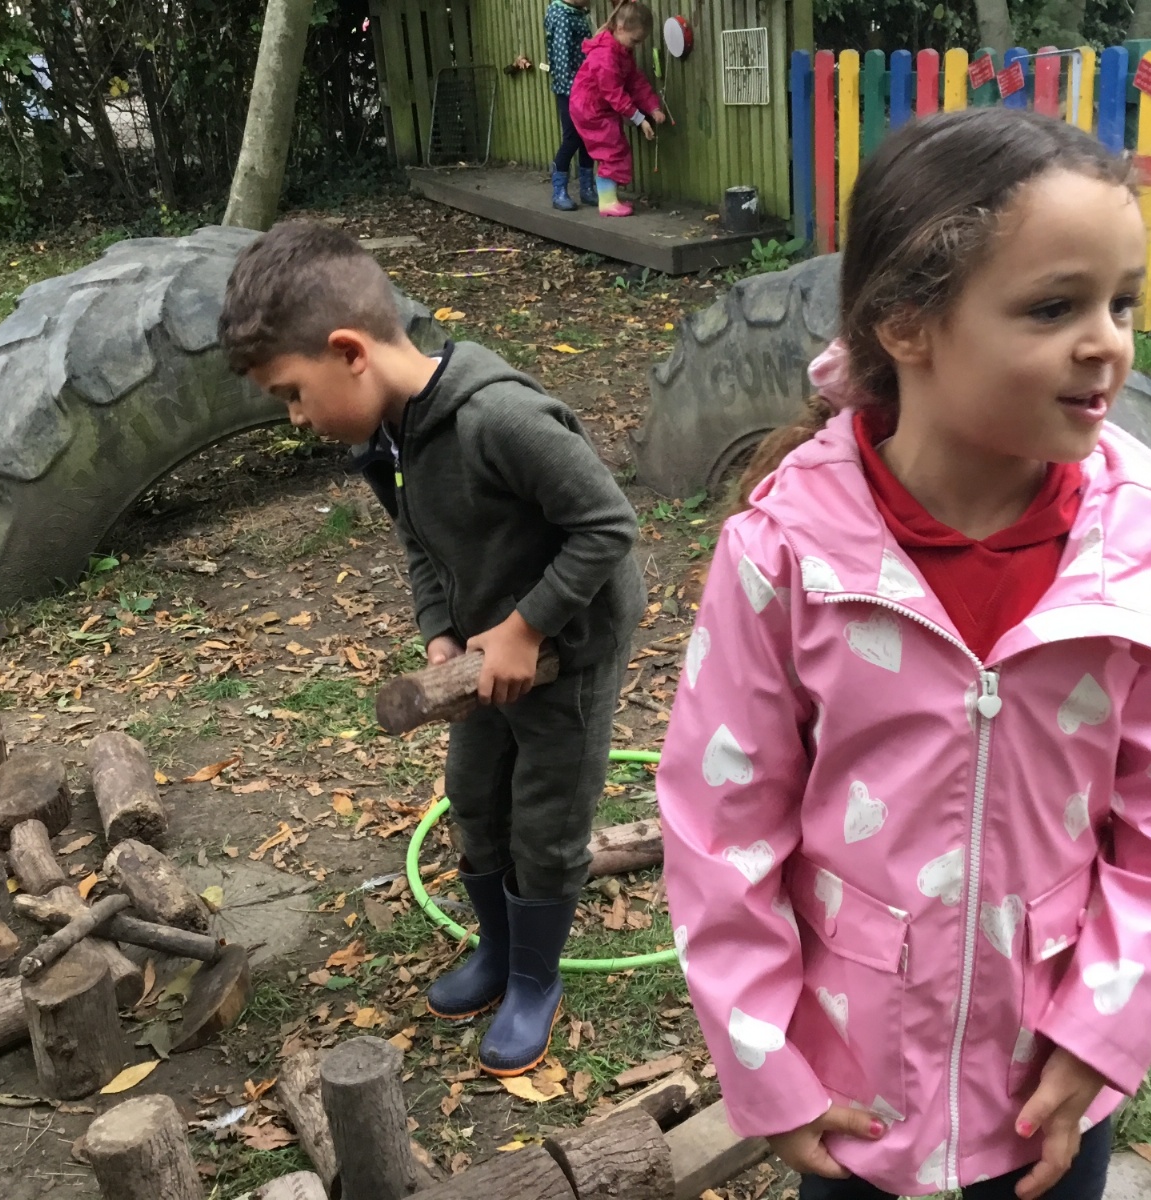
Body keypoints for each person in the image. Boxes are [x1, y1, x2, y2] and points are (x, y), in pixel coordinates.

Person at [657, 108, 1151, 1200]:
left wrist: (1101, 1038)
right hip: (852, 1099)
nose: (1107, 342)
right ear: (906, 323)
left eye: (1120, 302)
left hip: (1046, 1095)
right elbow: (718, 827)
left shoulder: (1150, 560)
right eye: (1053, 307)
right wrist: (765, 1064)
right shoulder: (787, 556)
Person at [219, 222, 645, 1077]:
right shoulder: (391, 438)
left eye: (292, 394)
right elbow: (419, 541)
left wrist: (526, 627)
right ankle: (498, 951)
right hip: (485, 652)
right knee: (473, 795)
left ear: (350, 352)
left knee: (547, 818)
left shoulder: (499, 419)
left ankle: (535, 980)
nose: (297, 418)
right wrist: (441, 631)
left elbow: (607, 526)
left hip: (567, 648)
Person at [569, 1, 665, 217]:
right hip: (590, 109)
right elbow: (614, 93)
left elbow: (635, 81)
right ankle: (607, 202)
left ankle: (609, 198)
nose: (635, 46)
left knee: (614, 147)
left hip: (599, 106)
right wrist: (639, 119)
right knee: (612, 150)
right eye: (635, 40)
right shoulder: (605, 55)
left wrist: (653, 106)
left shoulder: (621, 51)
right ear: (620, 28)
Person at [543, 0, 596, 211]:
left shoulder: (576, 13)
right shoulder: (563, 17)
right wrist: (575, 90)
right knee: (572, 138)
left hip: (584, 88)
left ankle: (587, 189)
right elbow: (562, 60)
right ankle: (559, 191)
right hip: (571, 91)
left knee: (587, 138)